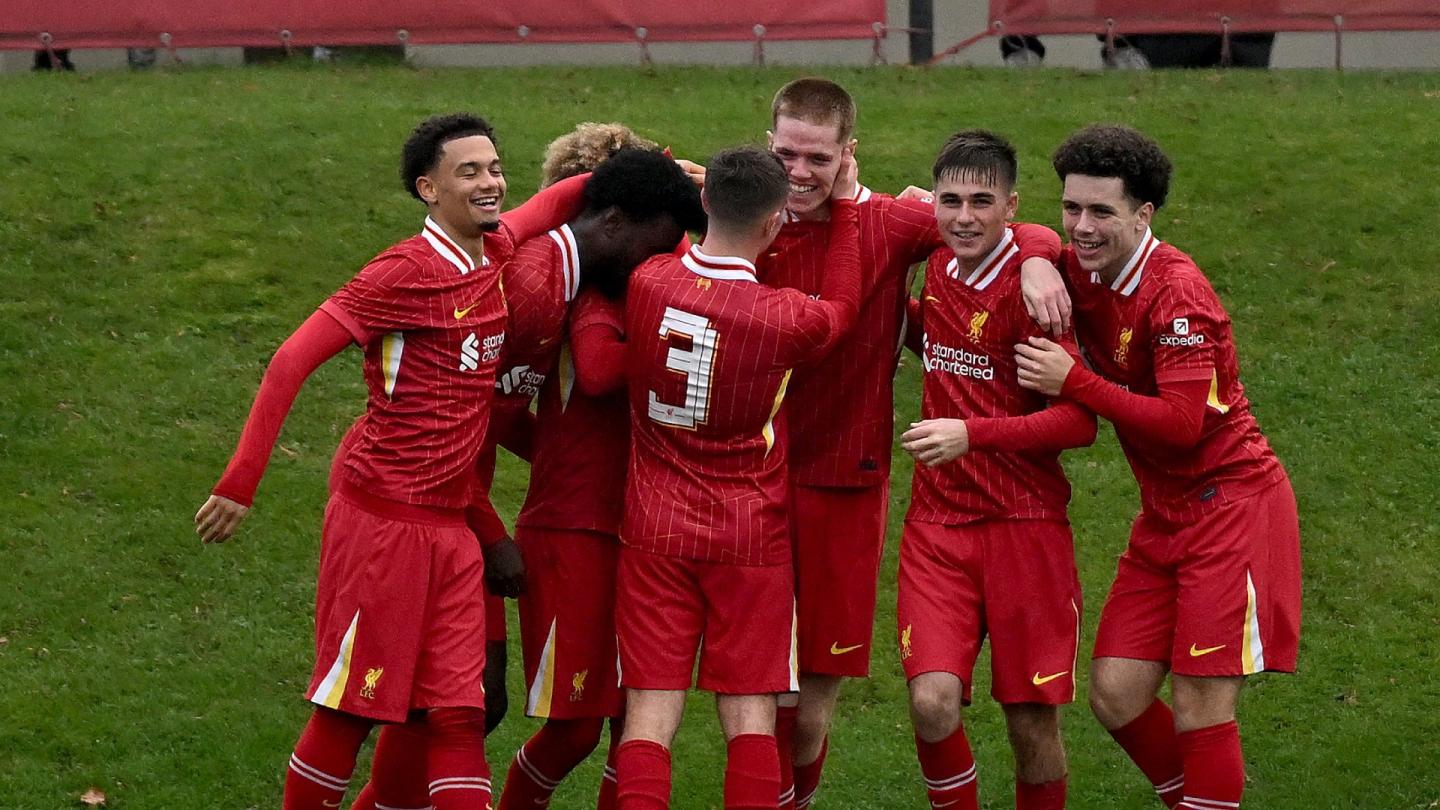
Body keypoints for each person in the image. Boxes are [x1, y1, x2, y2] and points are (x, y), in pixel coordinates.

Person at [193, 112, 589, 810]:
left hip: (452, 531)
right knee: (350, 710)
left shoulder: (495, 253)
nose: (490, 182)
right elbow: (289, 362)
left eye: (495, 167)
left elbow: (551, 203)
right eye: (468, 172)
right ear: (427, 189)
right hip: (382, 523)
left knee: (461, 714)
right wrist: (240, 483)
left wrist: (659, 174)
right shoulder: (402, 272)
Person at [344, 143, 704, 810]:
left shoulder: (595, 277)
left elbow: (500, 412)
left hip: (552, 518)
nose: (667, 252)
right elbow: (575, 378)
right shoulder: (548, 291)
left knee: (611, 717)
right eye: (660, 237)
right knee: (458, 708)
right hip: (445, 510)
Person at [757, 77, 1070, 810]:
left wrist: (1036, 255)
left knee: (806, 714)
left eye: (817, 158)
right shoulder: (743, 216)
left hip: (844, 486)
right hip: (749, 487)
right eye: (785, 154)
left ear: (848, 153)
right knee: (757, 697)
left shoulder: (889, 223)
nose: (799, 173)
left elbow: (988, 224)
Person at [1016, 124, 1300, 810]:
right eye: (1071, 207)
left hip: (1231, 509)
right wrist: (1031, 259)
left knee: (1202, 705)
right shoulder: (1081, 263)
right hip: (1165, 517)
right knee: (1116, 694)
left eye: (1101, 213)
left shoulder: (1177, 296)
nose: (1081, 228)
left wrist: (1074, 380)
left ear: (1144, 216)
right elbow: (996, 229)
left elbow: (1180, 427)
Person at [611, 146, 862, 810]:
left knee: (648, 718)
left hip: (653, 527)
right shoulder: (787, 318)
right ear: (778, 220)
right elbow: (844, 303)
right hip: (749, 534)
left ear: (703, 203)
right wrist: (847, 207)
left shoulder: (649, 281)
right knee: (749, 716)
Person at [496, 141, 704, 810]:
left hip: (642, 532)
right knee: (576, 726)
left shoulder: (650, 265)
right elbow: (597, 372)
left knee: (635, 723)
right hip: (574, 531)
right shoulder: (590, 289)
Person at [896, 130, 1095, 810]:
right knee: (931, 702)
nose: (964, 217)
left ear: (1011, 206)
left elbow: (1078, 422)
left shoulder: (1039, 295)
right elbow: (951, 347)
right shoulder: (942, 268)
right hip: (938, 527)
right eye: (950, 201)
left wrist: (971, 435)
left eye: (982, 201)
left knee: (1031, 725)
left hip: (1025, 527)